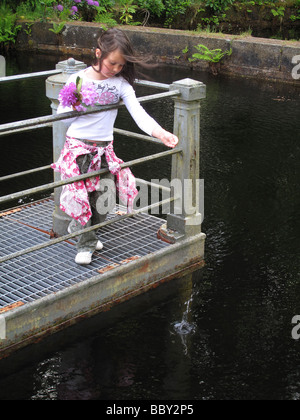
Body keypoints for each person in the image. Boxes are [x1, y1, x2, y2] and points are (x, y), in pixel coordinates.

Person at [52, 28, 178, 265]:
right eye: (112, 63)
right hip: (78, 149)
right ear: (99, 54)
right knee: (81, 198)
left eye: (121, 65)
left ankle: (81, 228)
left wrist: (160, 133)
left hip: (104, 151)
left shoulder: (121, 85)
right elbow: (63, 118)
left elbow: (139, 114)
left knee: (104, 197)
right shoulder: (77, 80)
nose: (116, 69)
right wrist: (75, 105)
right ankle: (86, 243)